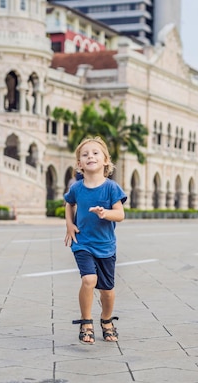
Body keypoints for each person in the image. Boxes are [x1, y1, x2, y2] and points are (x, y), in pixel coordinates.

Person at [64, 136, 127, 345]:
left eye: (95, 153)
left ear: (106, 160)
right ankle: (86, 322)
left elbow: (120, 214)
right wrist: (69, 224)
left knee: (107, 292)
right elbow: (69, 204)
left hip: (105, 246)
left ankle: (106, 320)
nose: (90, 156)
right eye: (85, 154)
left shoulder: (111, 188)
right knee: (88, 280)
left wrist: (105, 213)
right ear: (79, 164)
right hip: (82, 243)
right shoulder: (76, 188)